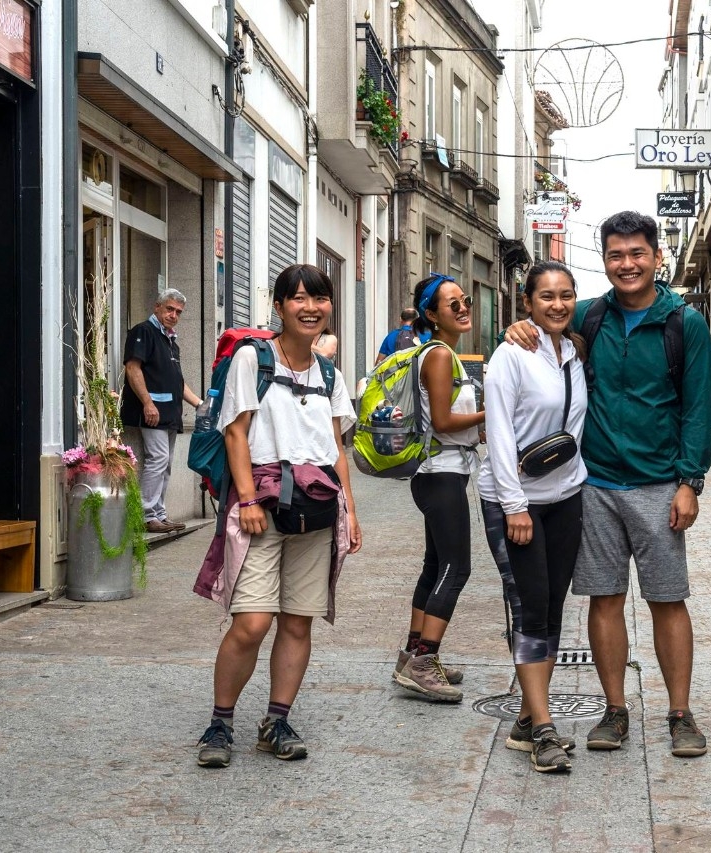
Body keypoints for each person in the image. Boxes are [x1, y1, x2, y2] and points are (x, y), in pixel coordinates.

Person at [506, 211, 711, 758]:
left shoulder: (683, 323)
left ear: (656, 257)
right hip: (594, 484)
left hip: (657, 484)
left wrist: (690, 481)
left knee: (668, 600)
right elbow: (538, 319)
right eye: (616, 255)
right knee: (604, 599)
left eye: (637, 254)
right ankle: (614, 710)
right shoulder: (589, 316)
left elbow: (700, 408)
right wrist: (515, 326)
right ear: (604, 261)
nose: (627, 265)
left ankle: (679, 713)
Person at [192, 263, 362, 768]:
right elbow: (236, 432)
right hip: (261, 507)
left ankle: (276, 720)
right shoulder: (254, 358)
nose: (311, 308)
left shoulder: (328, 371)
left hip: (316, 509)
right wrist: (245, 500)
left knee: (298, 621)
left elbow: (335, 447)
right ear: (280, 305)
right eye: (299, 298)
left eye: (320, 299)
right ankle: (221, 722)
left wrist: (349, 512)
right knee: (252, 622)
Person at [479, 261, 589, 773]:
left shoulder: (573, 349)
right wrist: (514, 505)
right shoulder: (510, 355)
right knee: (529, 608)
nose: (558, 305)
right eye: (546, 297)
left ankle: (528, 716)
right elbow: (498, 435)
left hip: (566, 494)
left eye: (566, 295)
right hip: (516, 501)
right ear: (526, 302)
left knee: (551, 606)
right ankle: (543, 729)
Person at [391, 274, 484, 702]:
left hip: (438, 472)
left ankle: (412, 654)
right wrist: (489, 414)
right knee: (456, 568)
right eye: (452, 304)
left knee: (435, 565)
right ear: (431, 314)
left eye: (463, 300)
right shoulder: (440, 356)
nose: (463, 307)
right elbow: (445, 423)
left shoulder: (442, 352)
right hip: (440, 475)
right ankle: (425, 662)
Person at [120, 289, 203, 533]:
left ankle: (159, 513)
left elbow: (177, 381)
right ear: (157, 307)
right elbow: (133, 368)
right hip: (152, 411)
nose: (173, 315)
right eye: (169, 309)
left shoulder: (170, 340)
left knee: (165, 463)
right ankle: (147, 516)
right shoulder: (143, 331)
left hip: (169, 413)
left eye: (178, 312)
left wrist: (199, 404)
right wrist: (147, 402)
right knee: (157, 460)